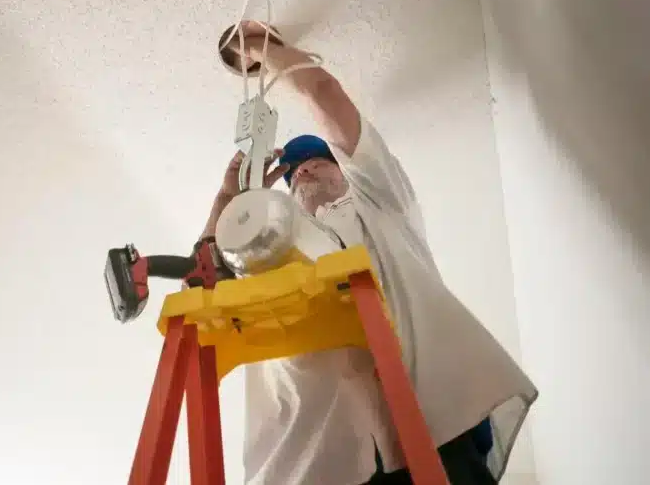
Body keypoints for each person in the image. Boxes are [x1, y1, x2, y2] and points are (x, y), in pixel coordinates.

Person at [199, 24, 539, 485]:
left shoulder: (382, 206)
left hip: (431, 439)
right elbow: (201, 295)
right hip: (315, 463)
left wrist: (262, 47)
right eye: (295, 169)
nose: (304, 170)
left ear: (347, 174)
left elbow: (327, 97)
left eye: (320, 161)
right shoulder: (272, 251)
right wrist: (229, 203)